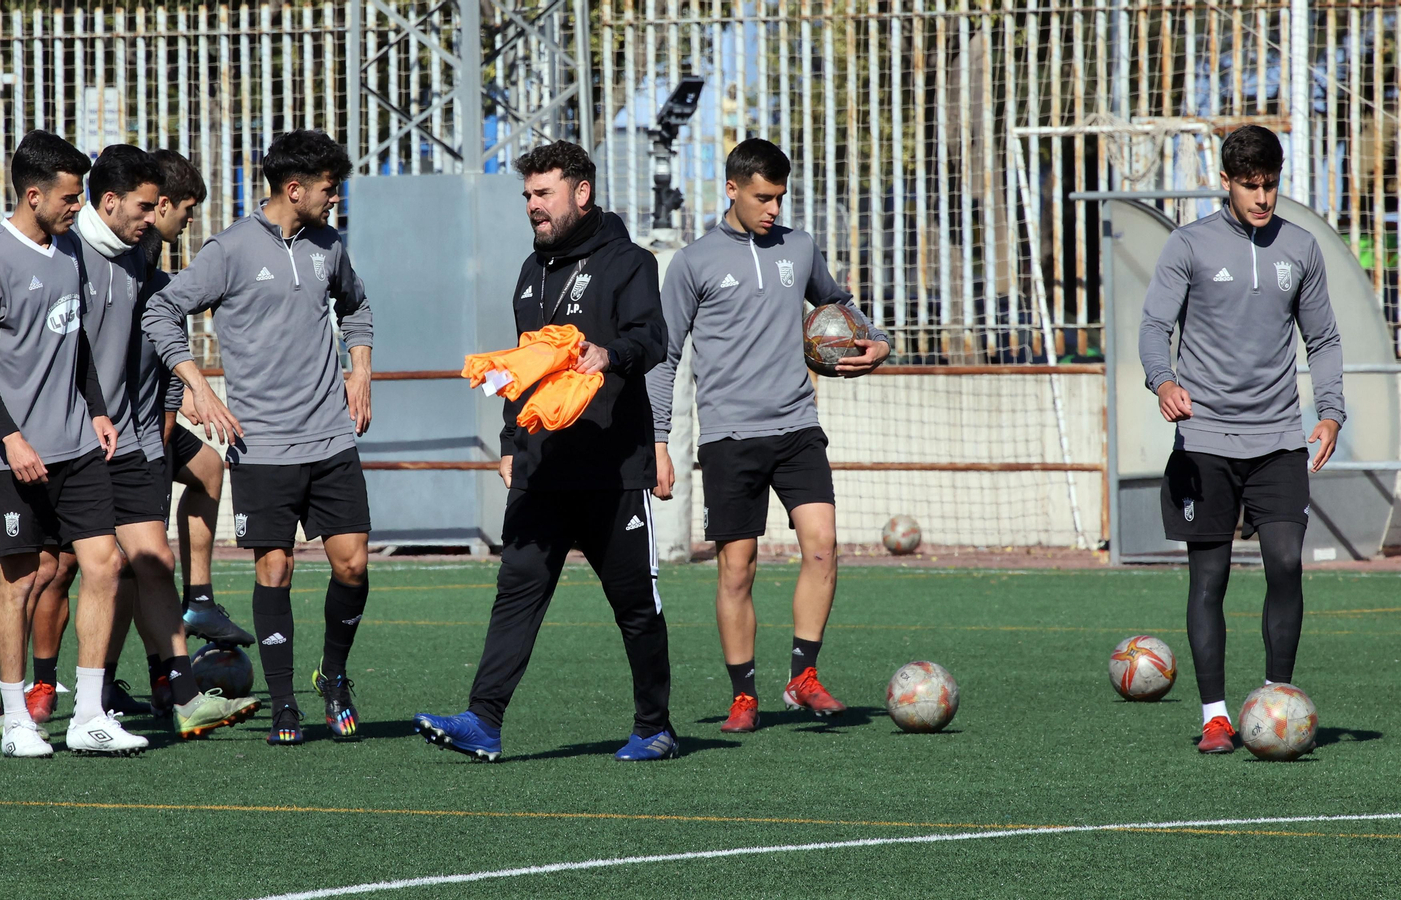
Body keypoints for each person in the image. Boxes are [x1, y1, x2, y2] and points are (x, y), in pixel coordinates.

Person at [412, 141, 677, 762]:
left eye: (543, 193)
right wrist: (511, 441)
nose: (532, 205)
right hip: (541, 465)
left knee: (636, 605)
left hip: (612, 468)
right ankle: (483, 721)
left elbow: (652, 338)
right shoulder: (531, 271)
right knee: (517, 592)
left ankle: (654, 727)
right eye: (527, 195)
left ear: (581, 193)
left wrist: (609, 353)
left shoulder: (630, 262)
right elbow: (522, 368)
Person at [647, 137, 890, 734]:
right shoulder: (692, 263)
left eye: (780, 197)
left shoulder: (799, 248)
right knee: (737, 569)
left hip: (798, 426)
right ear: (732, 189)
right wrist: (657, 440)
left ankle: (803, 677)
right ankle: (744, 696)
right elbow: (663, 356)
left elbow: (839, 305)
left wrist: (878, 342)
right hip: (729, 437)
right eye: (762, 197)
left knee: (823, 546)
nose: (773, 208)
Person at [143, 129, 374, 746]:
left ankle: (333, 676)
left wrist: (360, 369)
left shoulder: (330, 245)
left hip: (330, 437)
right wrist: (197, 386)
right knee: (276, 567)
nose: (335, 199)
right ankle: (284, 707)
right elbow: (161, 311)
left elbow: (356, 307)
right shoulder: (230, 250)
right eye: (328, 189)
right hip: (263, 445)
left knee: (353, 564)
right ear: (294, 189)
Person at [1138, 124, 1345, 754]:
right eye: (1250, 185)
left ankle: (1276, 701)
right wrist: (1163, 381)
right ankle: (1216, 717)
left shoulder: (1301, 248)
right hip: (1204, 440)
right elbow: (1154, 326)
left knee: (1285, 563)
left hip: (1279, 438)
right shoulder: (1188, 245)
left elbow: (1323, 339)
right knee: (1211, 577)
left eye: (1270, 184)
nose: (1262, 197)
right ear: (1224, 181)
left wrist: (1330, 412)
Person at [0, 130, 145, 757]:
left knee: (105, 564)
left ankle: (89, 715)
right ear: (33, 195)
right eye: (69, 197)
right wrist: (11, 438)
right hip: (14, 454)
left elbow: (78, 339)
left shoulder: (69, 251)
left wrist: (98, 410)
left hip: (77, 445)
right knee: (21, 581)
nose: (78, 206)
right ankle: (16, 720)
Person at [69, 144, 259, 739]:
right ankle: (41, 694)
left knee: (153, 557)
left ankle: (180, 683)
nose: (163, 220)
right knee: (59, 573)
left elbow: (162, 330)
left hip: (139, 432)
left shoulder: (145, 261)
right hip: (85, 436)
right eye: (168, 208)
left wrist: (176, 398)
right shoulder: (73, 255)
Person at [146, 148, 254, 655]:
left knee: (209, 466)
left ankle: (201, 601)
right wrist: (178, 400)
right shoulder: (129, 254)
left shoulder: (154, 260)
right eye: (188, 209)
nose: (191, 221)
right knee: (127, 561)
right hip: (130, 424)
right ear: (162, 203)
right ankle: (120, 675)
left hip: (157, 411)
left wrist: (179, 393)